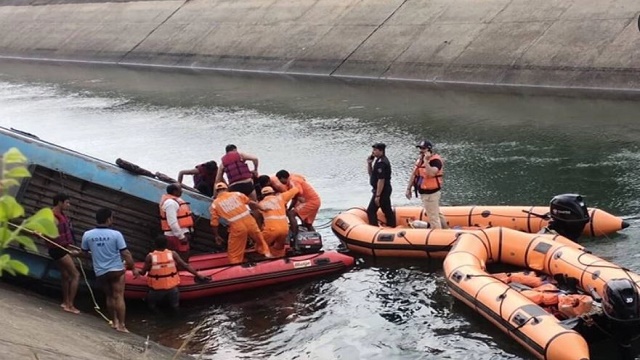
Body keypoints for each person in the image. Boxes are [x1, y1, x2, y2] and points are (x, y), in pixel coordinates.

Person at [80, 208, 140, 333]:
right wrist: (133, 268)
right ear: (108, 219)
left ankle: (114, 322)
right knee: (118, 296)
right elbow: (126, 253)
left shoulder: (88, 234)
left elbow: (83, 253)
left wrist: (76, 253)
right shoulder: (116, 234)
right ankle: (122, 325)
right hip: (116, 270)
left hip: (101, 272)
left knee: (109, 296)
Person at [138, 236, 208, 314]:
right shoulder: (172, 254)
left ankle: (159, 318)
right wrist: (198, 274)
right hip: (172, 289)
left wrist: (135, 270)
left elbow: (143, 272)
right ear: (167, 244)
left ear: (155, 244)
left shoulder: (150, 257)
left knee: (152, 306)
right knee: (175, 306)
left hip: (156, 290)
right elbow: (185, 265)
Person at [209, 182, 272, 264]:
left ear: (216, 192)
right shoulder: (237, 194)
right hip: (250, 222)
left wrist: (216, 235)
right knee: (260, 240)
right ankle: (267, 255)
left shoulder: (215, 204)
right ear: (227, 188)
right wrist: (262, 208)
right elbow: (251, 203)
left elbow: (214, 223)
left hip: (237, 227)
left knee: (234, 251)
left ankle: (236, 264)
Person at [47, 193, 80, 314]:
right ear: (60, 202)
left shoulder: (62, 216)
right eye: (67, 202)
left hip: (62, 248)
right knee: (75, 275)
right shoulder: (51, 216)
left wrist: (70, 248)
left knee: (65, 275)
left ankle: (65, 301)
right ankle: (70, 305)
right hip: (57, 250)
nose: (69, 205)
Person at [405, 140, 448, 229]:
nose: (420, 150)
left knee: (433, 217)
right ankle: (446, 230)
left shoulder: (436, 161)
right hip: (424, 192)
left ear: (429, 149)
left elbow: (431, 173)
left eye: (423, 148)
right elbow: (414, 174)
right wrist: (409, 189)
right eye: (420, 148)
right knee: (436, 214)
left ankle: (437, 237)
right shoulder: (419, 160)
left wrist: (426, 161)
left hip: (431, 193)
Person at [258, 185, 299, 257]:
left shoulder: (261, 204)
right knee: (279, 247)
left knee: (259, 246)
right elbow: (295, 190)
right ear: (273, 193)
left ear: (262, 195)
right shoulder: (281, 197)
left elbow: (259, 217)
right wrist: (292, 184)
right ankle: (280, 259)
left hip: (271, 230)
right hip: (285, 229)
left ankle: (267, 258)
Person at [159, 183, 194, 260]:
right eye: (180, 190)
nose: (182, 191)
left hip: (180, 233)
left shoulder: (176, 201)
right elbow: (172, 222)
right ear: (175, 191)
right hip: (175, 236)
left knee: (185, 255)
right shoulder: (170, 203)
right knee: (182, 257)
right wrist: (181, 236)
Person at [366, 143, 396, 227]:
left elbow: (381, 180)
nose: (373, 152)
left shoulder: (382, 163)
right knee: (386, 210)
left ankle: (374, 228)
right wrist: (369, 164)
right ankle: (392, 225)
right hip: (382, 189)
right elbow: (371, 175)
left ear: (381, 151)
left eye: (375, 150)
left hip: (382, 190)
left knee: (371, 211)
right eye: (373, 150)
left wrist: (378, 195)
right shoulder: (378, 161)